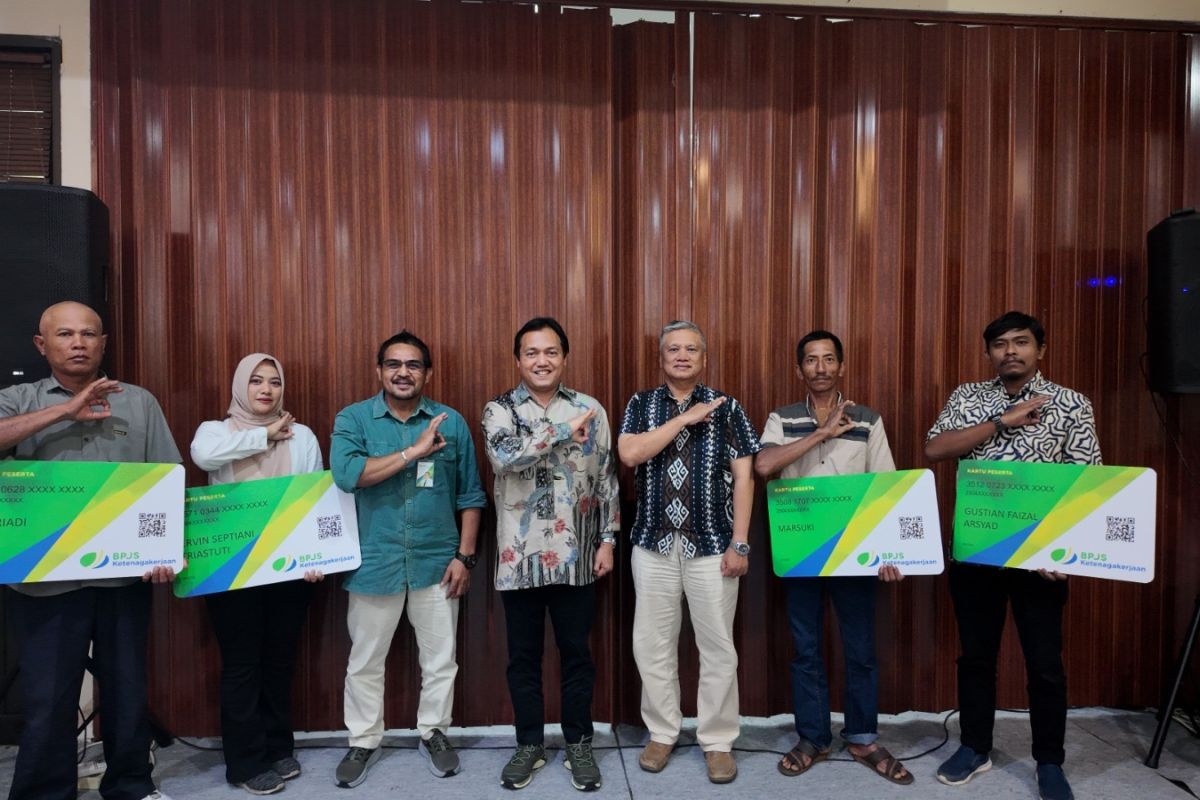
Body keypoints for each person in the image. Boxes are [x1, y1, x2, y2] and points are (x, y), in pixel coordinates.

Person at [0, 301, 180, 800]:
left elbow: (166, 479)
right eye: (65, 334)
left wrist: (167, 550)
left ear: (103, 343)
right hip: (44, 582)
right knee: (48, 700)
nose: (77, 343)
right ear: (42, 345)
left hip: (123, 579)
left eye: (88, 334)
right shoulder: (18, 399)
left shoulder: (139, 403)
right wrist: (65, 410)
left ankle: (131, 785)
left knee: (127, 691)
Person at [926, 311, 1101, 800]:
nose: (1010, 351)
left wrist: (1068, 554)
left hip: (1042, 559)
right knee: (975, 657)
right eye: (1000, 344)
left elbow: (1088, 484)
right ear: (989, 353)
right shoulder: (968, 397)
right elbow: (936, 449)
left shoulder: (1071, 403)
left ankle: (1049, 761)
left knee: (1044, 663)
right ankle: (975, 747)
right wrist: (1000, 421)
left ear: (1040, 350)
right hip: (977, 550)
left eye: (1021, 342)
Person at [330, 330, 486, 789]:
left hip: (437, 562)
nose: (403, 373)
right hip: (374, 562)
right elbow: (347, 474)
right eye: (394, 364)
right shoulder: (354, 419)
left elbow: (471, 495)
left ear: (427, 373)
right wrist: (413, 452)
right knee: (365, 660)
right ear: (379, 371)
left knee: (440, 660)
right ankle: (363, 739)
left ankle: (434, 731)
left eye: (413, 365)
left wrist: (465, 557)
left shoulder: (450, 423)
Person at [755, 330, 912, 786]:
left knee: (860, 647)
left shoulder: (867, 419)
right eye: (811, 360)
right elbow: (764, 466)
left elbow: (885, 487)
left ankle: (862, 737)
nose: (820, 368)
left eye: (828, 359)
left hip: (856, 552)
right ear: (799, 369)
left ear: (841, 366)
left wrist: (890, 551)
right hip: (801, 548)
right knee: (805, 649)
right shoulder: (782, 418)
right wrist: (822, 434)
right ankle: (814, 738)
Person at [616, 320, 760, 785]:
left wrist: (740, 542)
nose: (682, 356)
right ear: (661, 358)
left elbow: (745, 478)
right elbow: (630, 454)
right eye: (673, 349)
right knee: (652, 644)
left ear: (704, 358)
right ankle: (663, 732)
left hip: (713, 545)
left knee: (717, 647)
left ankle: (717, 741)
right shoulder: (641, 404)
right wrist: (682, 419)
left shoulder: (728, 407)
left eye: (691, 349)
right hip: (652, 544)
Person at [481, 318, 619, 792]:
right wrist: (562, 431)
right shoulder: (499, 410)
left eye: (551, 352)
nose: (542, 361)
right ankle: (529, 745)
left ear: (564, 357)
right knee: (523, 658)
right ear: (518, 360)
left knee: (577, 654)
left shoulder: (590, 409)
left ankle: (579, 743)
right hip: (518, 558)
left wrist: (608, 539)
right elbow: (505, 457)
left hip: (576, 553)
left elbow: (606, 477)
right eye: (532, 353)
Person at [190, 353, 325, 795]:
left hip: (288, 567)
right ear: (240, 387)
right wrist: (264, 435)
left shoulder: (302, 435)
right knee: (242, 664)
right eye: (256, 381)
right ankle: (245, 762)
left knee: (279, 661)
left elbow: (311, 498)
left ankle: (277, 747)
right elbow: (204, 458)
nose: (266, 389)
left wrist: (315, 558)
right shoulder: (215, 431)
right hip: (233, 568)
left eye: (274, 382)